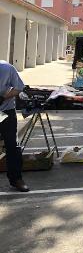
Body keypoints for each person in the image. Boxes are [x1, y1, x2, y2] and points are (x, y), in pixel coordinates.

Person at [0, 60, 29, 192]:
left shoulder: (7, 68)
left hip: (6, 111)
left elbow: (19, 87)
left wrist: (4, 97)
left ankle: (16, 179)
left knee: (12, 145)